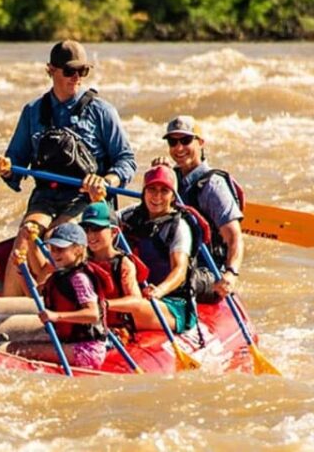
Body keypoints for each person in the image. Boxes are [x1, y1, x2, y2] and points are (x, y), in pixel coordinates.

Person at [0, 40, 137, 295]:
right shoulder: (33, 111)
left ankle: (51, 294)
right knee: (26, 233)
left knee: (57, 235)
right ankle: (7, 315)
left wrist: (108, 181)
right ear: (50, 70)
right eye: (69, 71)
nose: (76, 77)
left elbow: (126, 160)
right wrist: (3, 167)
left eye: (83, 71)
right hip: (46, 196)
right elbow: (15, 164)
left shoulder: (102, 111)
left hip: (86, 197)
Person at [152, 116, 243, 299]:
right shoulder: (172, 178)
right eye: (173, 142)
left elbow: (234, 236)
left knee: (180, 280)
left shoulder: (213, 186)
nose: (178, 148)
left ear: (200, 143)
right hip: (176, 259)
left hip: (206, 271)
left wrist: (231, 273)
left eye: (186, 141)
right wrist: (159, 176)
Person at [6, 223, 110, 370]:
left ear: (78, 249)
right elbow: (32, 293)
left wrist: (56, 316)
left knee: (14, 349)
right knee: (17, 342)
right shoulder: (60, 273)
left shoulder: (79, 278)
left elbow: (93, 315)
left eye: (60, 249)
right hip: (69, 341)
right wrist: (21, 270)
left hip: (87, 351)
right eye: (52, 249)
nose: (54, 254)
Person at [118, 166, 201, 334]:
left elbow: (180, 269)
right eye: (152, 189)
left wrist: (159, 290)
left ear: (172, 196)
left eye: (164, 191)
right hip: (135, 294)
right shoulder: (129, 215)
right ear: (144, 191)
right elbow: (103, 230)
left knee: (132, 309)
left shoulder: (179, 227)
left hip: (171, 302)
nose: (157, 196)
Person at [79, 201, 146, 335]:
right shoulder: (80, 259)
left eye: (97, 229)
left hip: (115, 330)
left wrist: (105, 304)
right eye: (86, 229)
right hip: (83, 325)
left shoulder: (123, 263)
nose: (90, 235)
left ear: (114, 232)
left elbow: (137, 301)